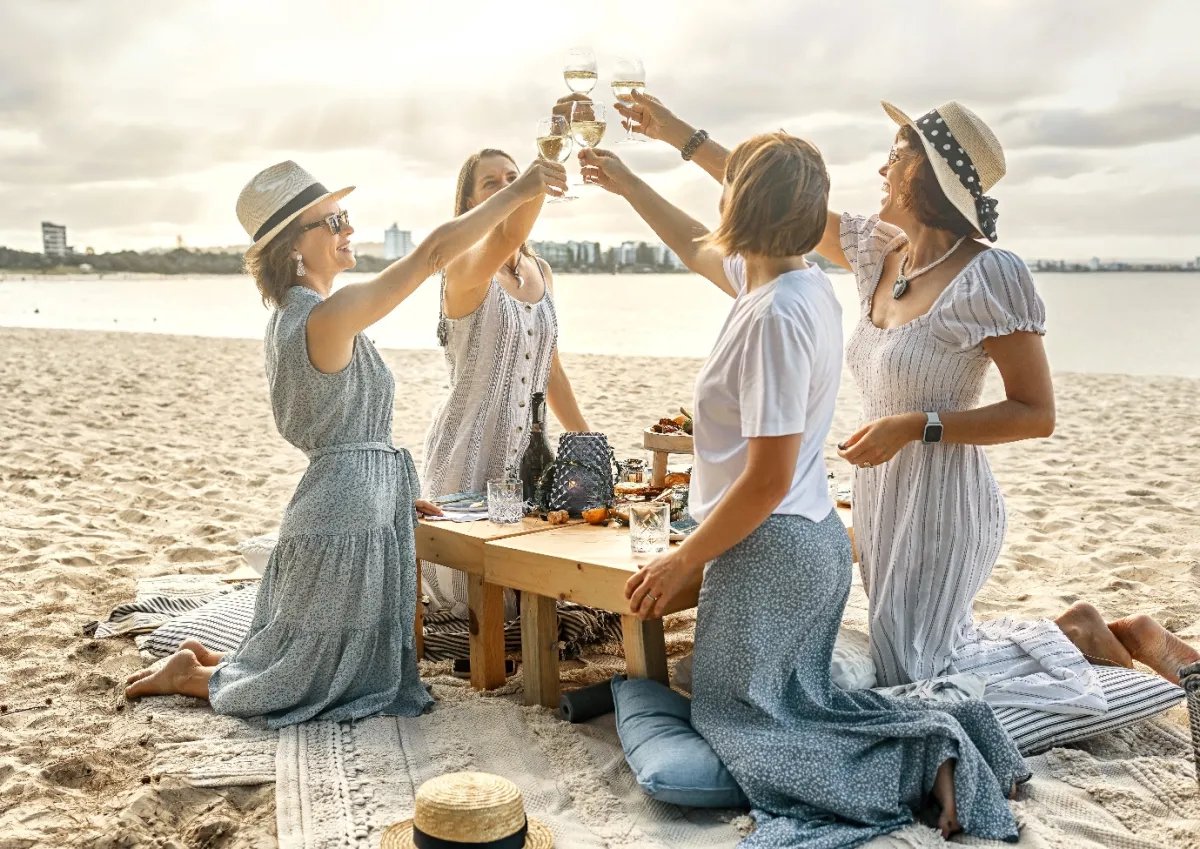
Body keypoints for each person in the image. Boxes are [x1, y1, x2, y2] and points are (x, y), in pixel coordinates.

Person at [613, 91, 1199, 704]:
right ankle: (1072, 634)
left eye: (894, 156)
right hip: (881, 492)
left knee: (919, 671)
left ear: (925, 172)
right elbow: (772, 197)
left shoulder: (990, 275)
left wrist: (920, 424)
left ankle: (1104, 636)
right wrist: (674, 134)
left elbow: (1036, 412)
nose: (882, 169)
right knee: (909, 660)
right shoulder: (878, 251)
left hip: (944, 495)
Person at [582, 133, 1026, 843]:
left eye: (729, 182)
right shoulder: (793, 283)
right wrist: (628, 182)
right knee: (792, 708)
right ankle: (935, 738)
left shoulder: (777, 315)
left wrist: (681, 558)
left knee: (740, 725)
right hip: (802, 542)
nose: (718, 193)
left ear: (742, 201)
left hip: (772, 554)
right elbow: (693, 244)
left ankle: (927, 756)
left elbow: (765, 479)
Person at [124, 158, 566, 725]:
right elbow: (432, 255)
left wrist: (396, 496)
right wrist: (524, 189)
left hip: (362, 505)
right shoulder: (321, 317)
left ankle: (206, 664)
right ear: (293, 250)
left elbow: (347, 427)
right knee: (321, 686)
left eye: (345, 217)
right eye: (332, 223)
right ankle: (192, 677)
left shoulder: (309, 314)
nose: (349, 230)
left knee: (344, 668)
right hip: (341, 515)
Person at [420, 128, 590, 626]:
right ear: (469, 202)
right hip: (467, 449)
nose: (506, 187)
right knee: (475, 601)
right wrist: (543, 166)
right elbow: (504, 234)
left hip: (529, 454)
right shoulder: (461, 267)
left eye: (511, 179)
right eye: (490, 183)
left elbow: (550, 366)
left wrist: (584, 440)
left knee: (535, 597)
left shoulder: (542, 270)